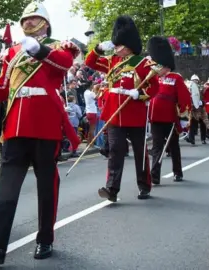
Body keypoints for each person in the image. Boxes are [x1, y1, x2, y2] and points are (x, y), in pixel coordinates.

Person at [0, 1, 80, 264]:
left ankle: (45, 239)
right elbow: (3, 87)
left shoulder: (59, 46)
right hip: (15, 127)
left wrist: (40, 50)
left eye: (33, 19)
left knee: (46, 187)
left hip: (45, 126)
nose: (27, 23)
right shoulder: (13, 51)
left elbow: (64, 65)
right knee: (6, 189)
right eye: (25, 20)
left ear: (45, 24)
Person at [85, 15, 159, 201]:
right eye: (116, 45)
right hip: (114, 115)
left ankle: (144, 185)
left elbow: (154, 87)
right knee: (115, 151)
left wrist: (139, 94)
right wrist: (98, 49)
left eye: (120, 45)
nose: (117, 48)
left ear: (129, 45)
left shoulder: (143, 63)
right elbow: (90, 63)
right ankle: (112, 189)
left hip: (134, 113)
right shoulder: (111, 62)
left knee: (140, 152)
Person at [146, 36, 192, 185]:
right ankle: (154, 176)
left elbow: (184, 99)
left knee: (173, 147)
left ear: (166, 65)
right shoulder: (152, 78)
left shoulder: (175, 78)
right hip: (155, 118)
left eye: (160, 66)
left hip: (170, 118)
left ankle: (177, 172)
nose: (157, 68)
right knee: (157, 147)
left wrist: (184, 118)